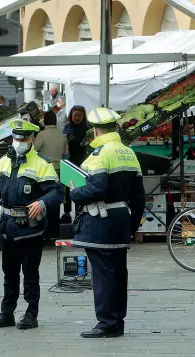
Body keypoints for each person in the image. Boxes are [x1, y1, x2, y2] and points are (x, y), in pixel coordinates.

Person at [0, 119, 64, 330]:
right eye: (15, 138)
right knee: (9, 273)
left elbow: (57, 192)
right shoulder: (4, 161)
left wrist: (42, 203)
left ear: (32, 139)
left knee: (30, 274)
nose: (18, 142)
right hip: (7, 227)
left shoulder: (42, 163)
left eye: (23, 138)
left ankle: (31, 313)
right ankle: (7, 314)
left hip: (31, 228)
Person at [69, 108, 145, 338]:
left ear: (95, 130)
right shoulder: (128, 153)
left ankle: (105, 322)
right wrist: (132, 226)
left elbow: (96, 188)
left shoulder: (99, 154)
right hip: (122, 220)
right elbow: (139, 195)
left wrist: (74, 192)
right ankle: (117, 321)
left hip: (101, 223)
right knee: (118, 273)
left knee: (103, 274)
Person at [34, 111, 69, 239]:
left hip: (44, 171)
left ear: (45, 121)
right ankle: (54, 232)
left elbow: (34, 151)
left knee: (43, 200)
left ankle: (43, 231)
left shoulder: (41, 134)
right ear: (55, 121)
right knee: (55, 200)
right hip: (59, 171)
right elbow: (66, 155)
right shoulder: (62, 135)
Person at [61, 106, 89, 223]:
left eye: (79, 115)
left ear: (83, 116)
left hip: (82, 163)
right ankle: (67, 213)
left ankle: (79, 212)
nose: (77, 117)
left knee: (80, 188)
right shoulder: (67, 128)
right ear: (71, 116)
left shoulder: (87, 129)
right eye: (75, 115)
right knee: (67, 189)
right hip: (69, 162)